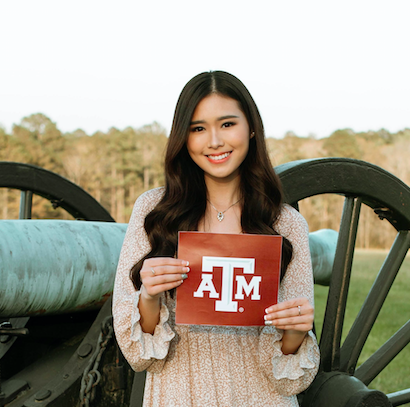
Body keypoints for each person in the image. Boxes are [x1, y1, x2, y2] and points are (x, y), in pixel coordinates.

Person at [113, 71, 319, 406]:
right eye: (198, 128)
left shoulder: (286, 224)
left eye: (227, 124)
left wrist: (296, 331)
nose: (214, 141)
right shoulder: (153, 210)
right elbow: (140, 356)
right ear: (184, 137)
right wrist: (149, 296)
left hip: (259, 397)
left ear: (251, 127)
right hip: (179, 392)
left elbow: (288, 377)